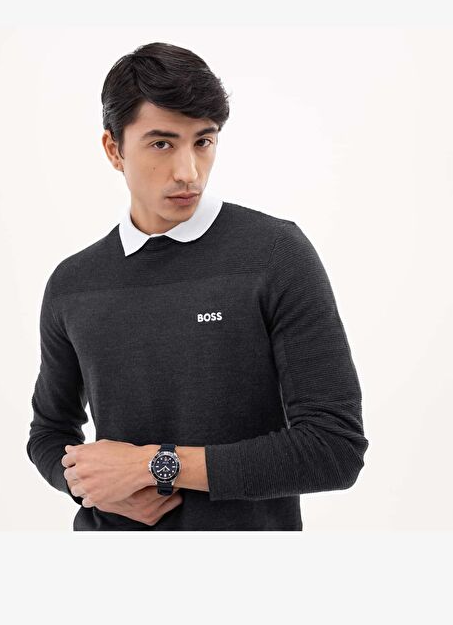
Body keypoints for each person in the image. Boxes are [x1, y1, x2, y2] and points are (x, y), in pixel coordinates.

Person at [26, 41, 369, 530]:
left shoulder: (275, 254)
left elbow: (335, 449)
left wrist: (155, 467)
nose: (188, 172)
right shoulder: (72, 283)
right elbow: (49, 432)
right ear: (114, 149)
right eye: (162, 144)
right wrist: (92, 491)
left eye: (203, 142)